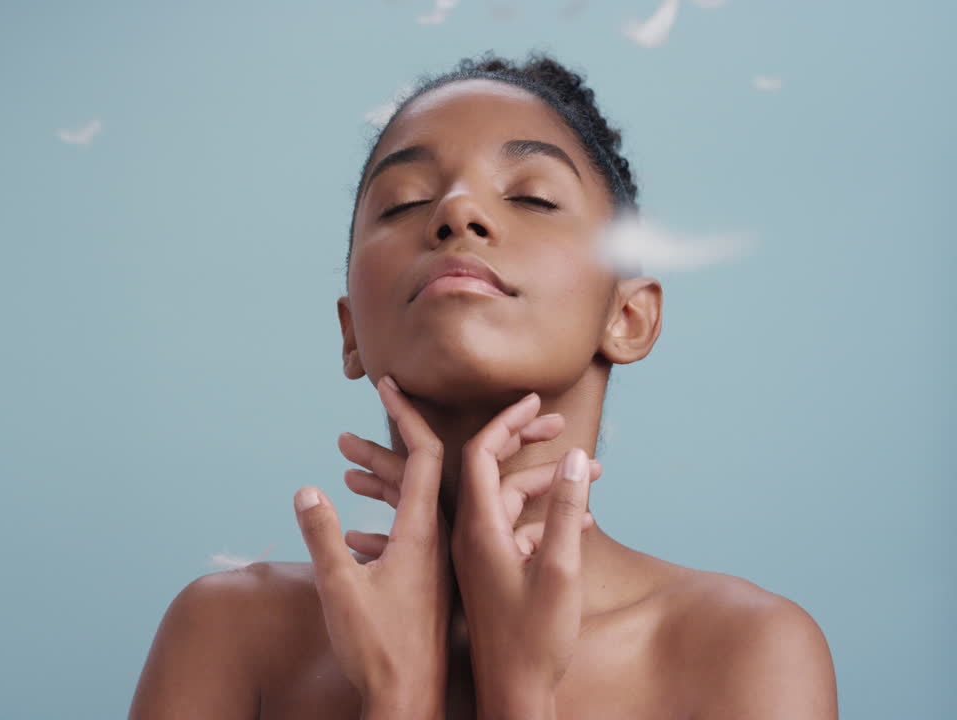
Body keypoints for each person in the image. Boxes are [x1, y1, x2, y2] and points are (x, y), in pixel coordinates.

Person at [129, 50, 838, 719]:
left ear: (627, 315)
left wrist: (519, 690)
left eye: (531, 197)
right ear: (351, 331)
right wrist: (399, 697)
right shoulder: (228, 633)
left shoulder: (744, 651)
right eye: (403, 202)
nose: (455, 214)